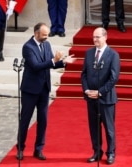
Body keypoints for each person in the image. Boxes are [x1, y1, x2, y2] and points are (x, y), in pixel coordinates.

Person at [16, 22, 76, 160]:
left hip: (44, 89)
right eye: (44, 35)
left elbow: (50, 63)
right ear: (36, 33)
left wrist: (63, 62)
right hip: (30, 90)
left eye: (47, 35)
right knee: (25, 120)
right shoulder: (28, 47)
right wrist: (54, 60)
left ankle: (38, 149)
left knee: (43, 120)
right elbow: (37, 66)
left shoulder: (46, 45)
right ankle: (20, 148)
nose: (46, 37)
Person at [81, 27, 120, 165]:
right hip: (91, 98)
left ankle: (111, 153)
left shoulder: (113, 55)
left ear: (105, 37)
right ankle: (97, 152)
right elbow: (84, 74)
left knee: (109, 128)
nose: (95, 40)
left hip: (106, 98)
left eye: (97, 37)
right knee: (94, 127)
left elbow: (114, 78)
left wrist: (100, 91)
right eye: (93, 37)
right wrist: (86, 90)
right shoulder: (89, 53)